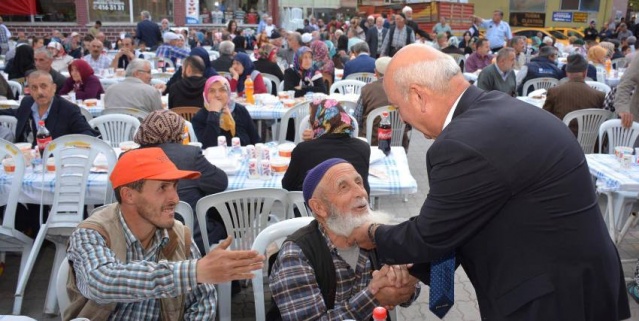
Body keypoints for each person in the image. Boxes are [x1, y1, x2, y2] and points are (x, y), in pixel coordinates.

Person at [349, 43, 631, 320]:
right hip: (582, 281)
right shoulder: (497, 110)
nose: (404, 120)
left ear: (419, 96)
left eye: (399, 108)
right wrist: (413, 273)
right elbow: (459, 219)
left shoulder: (462, 143)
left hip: (550, 298)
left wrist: (372, 233)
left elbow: (431, 235)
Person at [65, 147, 264, 320]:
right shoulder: (92, 233)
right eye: (163, 187)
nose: (175, 198)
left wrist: (200, 273)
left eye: (175, 187)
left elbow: (203, 301)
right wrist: (194, 272)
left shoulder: (177, 233)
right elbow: (101, 282)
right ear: (129, 195)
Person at [271, 158, 420, 320]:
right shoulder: (295, 256)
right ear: (319, 207)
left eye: (359, 182)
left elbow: (411, 293)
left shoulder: (379, 234)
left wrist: (403, 282)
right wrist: (376, 297)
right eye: (344, 187)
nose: (360, 192)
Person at [133, 110, 228, 251]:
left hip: (142, 241)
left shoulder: (128, 157)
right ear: (177, 131)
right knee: (225, 218)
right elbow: (220, 183)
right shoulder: (189, 154)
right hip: (188, 240)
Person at [282, 99, 371, 194]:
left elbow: (287, 185)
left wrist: (313, 141)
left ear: (317, 122)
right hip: (351, 206)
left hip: (313, 207)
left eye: (311, 120)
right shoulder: (363, 147)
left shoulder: (303, 150)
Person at [0, 70, 96, 145]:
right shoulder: (27, 103)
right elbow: (14, 112)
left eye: (43, 86)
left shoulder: (68, 109)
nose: (39, 92)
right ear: (29, 90)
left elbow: (87, 134)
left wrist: (67, 146)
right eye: (34, 88)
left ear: (53, 88)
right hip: (26, 159)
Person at [543, 54, 605, 136]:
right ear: (585, 73)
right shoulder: (599, 95)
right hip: (589, 143)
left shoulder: (554, 91)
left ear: (567, 73)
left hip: (561, 139)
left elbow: (545, 117)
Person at [191, 76, 260, 148]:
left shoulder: (239, 110)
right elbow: (207, 146)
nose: (217, 95)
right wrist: (214, 114)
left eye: (222, 90)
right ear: (206, 95)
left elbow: (256, 140)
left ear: (228, 93)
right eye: (212, 91)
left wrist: (230, 120)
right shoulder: (199, 118)